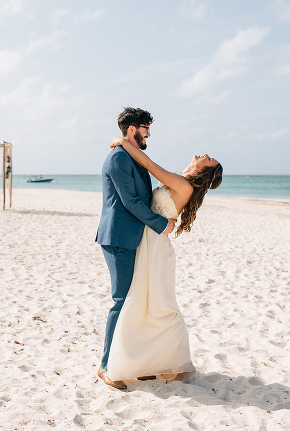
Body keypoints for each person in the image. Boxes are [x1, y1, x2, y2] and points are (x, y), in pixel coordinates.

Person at [103, 136, 223, 388]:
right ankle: (150, 361)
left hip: (156, 248)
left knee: (160, 305)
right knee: (146, 303)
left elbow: (148, 164)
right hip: (148, 242)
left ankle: (181, 363)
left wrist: (124, 142)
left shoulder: (182, 184)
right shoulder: (182, 180)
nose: (204, 154)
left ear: (205, 170)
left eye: (208, 159)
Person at [95, 107, 177, 390]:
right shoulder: (118, 158)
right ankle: (106, 366)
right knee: (121, 301)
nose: (149, 133)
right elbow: (130, 201)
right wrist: (161, 223)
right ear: (132, 129)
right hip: (119, 238)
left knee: (133, 301)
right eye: (145, 127)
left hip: (132, 237)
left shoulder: (130, 155)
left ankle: (131, 361)